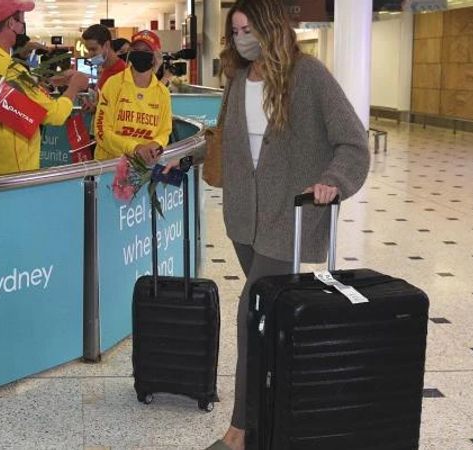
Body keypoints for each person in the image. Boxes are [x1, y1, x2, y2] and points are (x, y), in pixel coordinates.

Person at [205, 1, 369, 449]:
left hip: (289, 218)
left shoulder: (309, 75)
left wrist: (334, 181)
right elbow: (227, 145)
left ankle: (240, 430)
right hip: (244, 220)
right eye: (235, 30)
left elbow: (353, 143)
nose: (241, 37)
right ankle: (279, 407)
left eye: (248, 28)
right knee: (271, 321)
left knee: (250, 314)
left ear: (270, 27)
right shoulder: (239, 80)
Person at [0, 0, 89, 178]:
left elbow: (11, 100)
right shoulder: (11, 71)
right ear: (11, 23)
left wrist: (50, 83)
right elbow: (55, 114)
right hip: (14, 173)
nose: (23, 25)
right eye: (21, 19)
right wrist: (74, 87)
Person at [94, 30, 172, 163]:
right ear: (130, 52)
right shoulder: (114, 84)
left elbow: (165, 131)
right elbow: (101, 131)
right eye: (136, 49)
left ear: (156, 56)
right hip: (109, 166)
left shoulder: (162, 92)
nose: (141, 53)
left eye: (146, 50)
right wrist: (134, 148)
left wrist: (156, 144)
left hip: (144, 167)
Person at [82, 24, 127, 91]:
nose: (89, 55)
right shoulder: (105, 70)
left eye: (93, 49)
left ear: (106, 45)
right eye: (88, 50)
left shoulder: (122, 73)